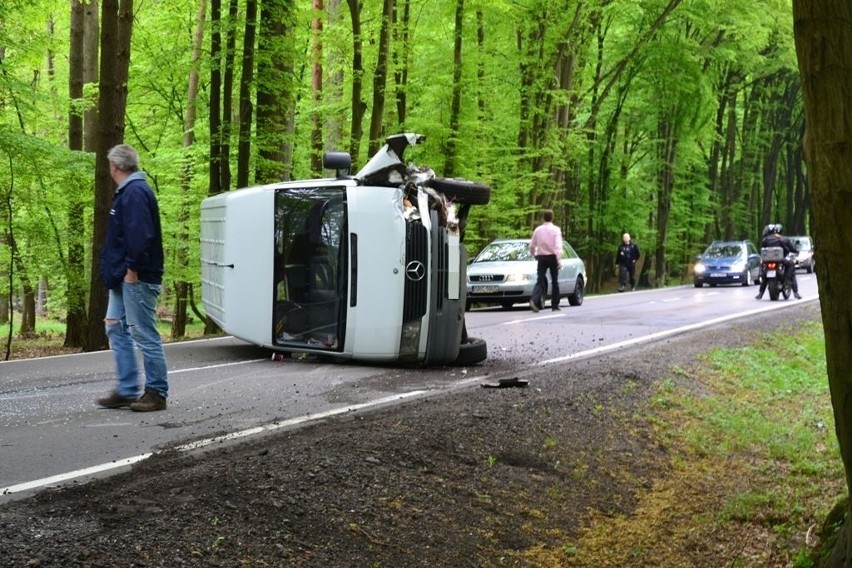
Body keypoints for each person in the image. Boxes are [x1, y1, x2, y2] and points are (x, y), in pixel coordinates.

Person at [96, 144, 169, 412]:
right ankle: (127, 389)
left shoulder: (135, 192)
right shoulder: (128, 192)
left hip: (134, 276)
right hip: (121, 276)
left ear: (115, 167)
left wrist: (132, 271)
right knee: (114, 326)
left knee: (143, 332)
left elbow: (141, 236)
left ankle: (157, 392)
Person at [528, 209, 563, 312]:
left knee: (540, 281)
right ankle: (555, 305)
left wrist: (533, 253)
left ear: (543, 218)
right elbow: (557, 246)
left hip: (542, 257)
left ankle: (534, 300)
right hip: (552, 257)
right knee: (555, 281)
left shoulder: (538, 230)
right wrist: (559, 260)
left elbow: (531, 245)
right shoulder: (556, 230)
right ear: (552, 218)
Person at [756, 223, 801, 300]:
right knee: (791, 265)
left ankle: (760, 293)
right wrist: (795, 252)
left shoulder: (765, 240)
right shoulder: (782, 239)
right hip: (780, 259)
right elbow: (787, 249)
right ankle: (794, 290)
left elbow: (762, 250)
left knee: (764, 274)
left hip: (767, 261)